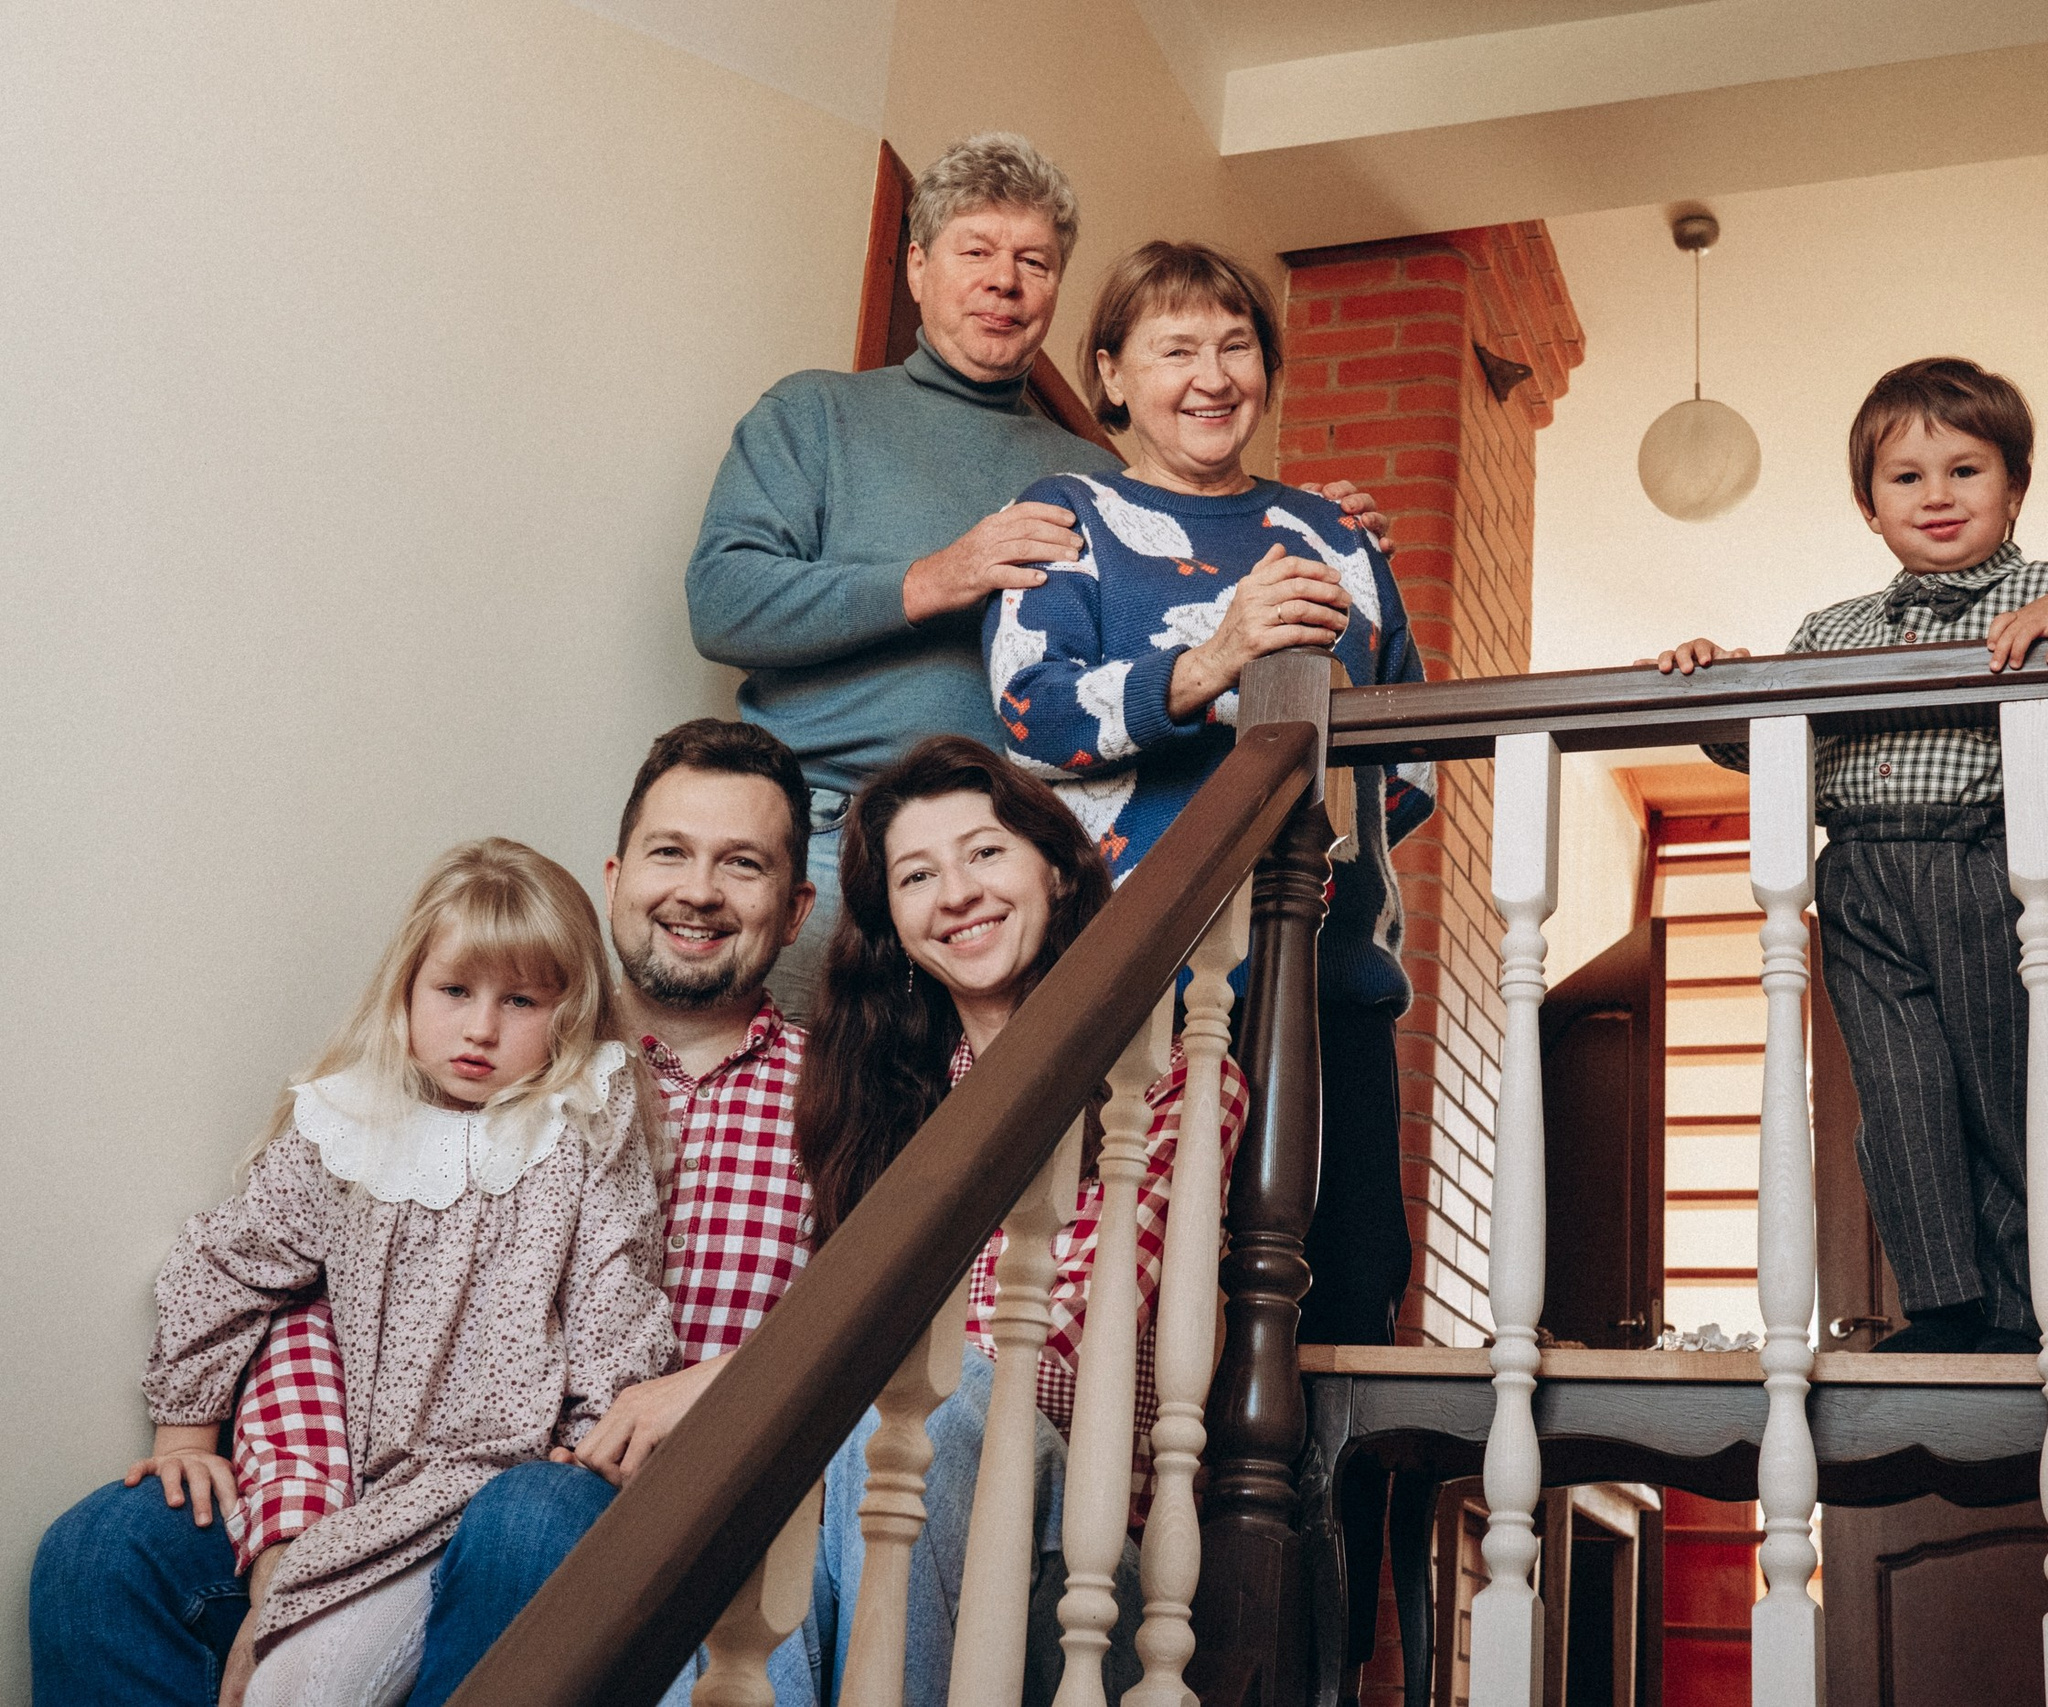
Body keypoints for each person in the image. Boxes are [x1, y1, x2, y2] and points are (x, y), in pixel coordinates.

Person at [29, 720, 820, 1707]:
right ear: (616, 877)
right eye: (671, 852)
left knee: (530, 1514)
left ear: (795, 911)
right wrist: (229, 1457)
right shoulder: (406, 1099)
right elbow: (277, 1272)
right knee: (97, 1549)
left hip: (578, 1492)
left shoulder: (831, 1092)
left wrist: (670, 1397)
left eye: (740, 864)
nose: (697, 889)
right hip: (354, 1476)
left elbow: (652, 1307)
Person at [685, 132, 1386, 1022]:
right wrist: (939, 576)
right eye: (975, 252)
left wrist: (1310, 522)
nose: (1004, 281)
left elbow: (1187, 613)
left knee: (973, 1145)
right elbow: (722, 599)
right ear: (916, 267)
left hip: (1011, 857)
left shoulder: (1096, 474)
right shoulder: (816, 414)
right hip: (827, 831)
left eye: (1035, 262)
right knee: (786, 1131)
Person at [1655, 356, 2048, 1353]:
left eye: (1965, 470)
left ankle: (2036, 1301)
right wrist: (1708, 685)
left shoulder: (2045, 586)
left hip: (1975, 868)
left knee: (2000, 1095)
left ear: (2013, 486)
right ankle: (1946, 1309)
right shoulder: (1832, 628)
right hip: (1856, 877)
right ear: (1869, 506)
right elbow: (1770, 751)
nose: (1935, 496)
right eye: (1906, 477)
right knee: (1900, 1107)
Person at [985, 239, 1435, 1352]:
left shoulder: (1335, 535)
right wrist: (1209, 663)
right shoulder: (1069, 515)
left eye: (1236, 346)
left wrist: (1324, 845)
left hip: (1329, 969)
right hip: (1136, 972)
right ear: (1110, 376)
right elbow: (1028, 717)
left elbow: (1410, 757)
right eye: (1175, 348)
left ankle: (1319, 1535)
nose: (1211, 375)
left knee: (1355, 1268)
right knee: (1149, 1286)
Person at [790, 734, 1247, 1705]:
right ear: (892, 930)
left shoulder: (1167, 1077)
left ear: (1053, 863)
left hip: (1076, 1571)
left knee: (938, 1409)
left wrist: (866, 1361)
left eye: (984, 852)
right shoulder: (881, 1106)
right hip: (890, 1534)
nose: (955, 892)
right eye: (917, 875)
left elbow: (1059, 1350)